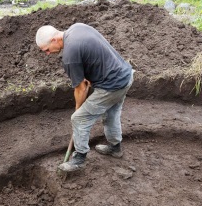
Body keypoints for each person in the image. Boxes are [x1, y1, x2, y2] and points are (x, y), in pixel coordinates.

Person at [36, 23, 134, 172]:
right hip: (125, 75)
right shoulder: (77, 27)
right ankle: (115, 148)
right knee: (111, 114)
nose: (48, 54)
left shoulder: (70, 55)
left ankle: (79, 159)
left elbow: (80, 88)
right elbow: (93, 53)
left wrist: (78, 110)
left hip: (112, 85)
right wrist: (89, 75)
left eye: (47, 50)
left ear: (55, 40)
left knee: (79, 119)